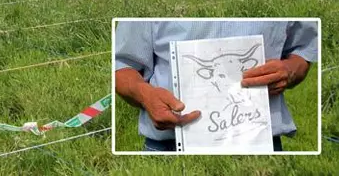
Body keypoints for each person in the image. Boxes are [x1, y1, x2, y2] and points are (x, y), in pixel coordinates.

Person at [115, 20, 317, 152]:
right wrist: (145, 95)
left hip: (262, 148)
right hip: (169, 147)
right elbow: (123, 67)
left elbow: (303, 50)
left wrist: (290, 70)